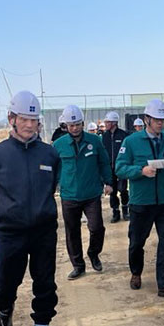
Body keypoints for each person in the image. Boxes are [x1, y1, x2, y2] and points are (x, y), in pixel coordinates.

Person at [0, 90, 61, 326]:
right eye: (24, 119)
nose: (29, 125)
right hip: (9, 232)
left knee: (45, 282)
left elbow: (51, 186)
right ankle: (4, 311)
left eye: (34, 120)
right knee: (5, 280)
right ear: (11, 119)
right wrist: (10, 212)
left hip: (43, 231)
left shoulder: (50, 154)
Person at [115, 99, 164, 300]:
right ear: (147, 119)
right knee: (137, 242)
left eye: (162, 120)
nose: (160, 124)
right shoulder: (131, 142)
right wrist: (141, 171)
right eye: (157, 120)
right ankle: (136, 272)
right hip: (141, 202)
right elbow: (120, 168)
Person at [53, 105, 113, 280]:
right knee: (72, 232)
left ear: (83, 123)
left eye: (77, 124)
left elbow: (104, 162)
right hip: (69, 195)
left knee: (97, 228)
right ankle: (78, 266)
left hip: (91, 194)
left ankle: (93, 253)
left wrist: (108, 182)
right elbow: (54, 169)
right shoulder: (58, 145)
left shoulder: (95, 141)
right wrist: (53, 186)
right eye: (71, 125)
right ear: (66, 126)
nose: (74, 128)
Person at [102, 111, 130, 222]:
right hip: (109, 169)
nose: (106, 124)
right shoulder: (105, 136)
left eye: (108, 122)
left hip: (122, 168)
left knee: (123, 190)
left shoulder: (123, 135)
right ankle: (115, 212)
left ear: (114, 123)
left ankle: (125, 210)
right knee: (112, 191)